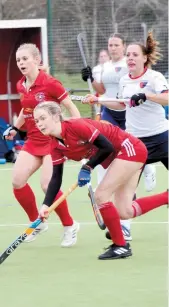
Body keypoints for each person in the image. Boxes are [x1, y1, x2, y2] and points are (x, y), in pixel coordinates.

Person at [33, 101, 168, 260]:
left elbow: (107, 147)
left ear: (56, 116)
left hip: (129, 148)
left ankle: (120, 246)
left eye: (43, 118)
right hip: (120, 157)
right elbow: (56, 178)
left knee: (101, 196)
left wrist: (88, 167)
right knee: (125, 212)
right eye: (36, 121)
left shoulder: (75, 126)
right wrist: (45, 206)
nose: (39, 124)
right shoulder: (54, 145)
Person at [82, 31, 168, 240]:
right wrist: (98, 100)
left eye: (134, 55)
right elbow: (121, 104)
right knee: (124, 204)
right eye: (128, 55)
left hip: (162, 138)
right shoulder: (123, 81)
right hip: (137, 145)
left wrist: (147, 95)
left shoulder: (154, 77)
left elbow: (167, 99)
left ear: (145, 58)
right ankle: (127, 226)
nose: (130, 58)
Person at [3, 43, 80, 246]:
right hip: (33, 141)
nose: (21, 63)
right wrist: (14, 128)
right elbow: (26, 110)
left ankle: (70, 226)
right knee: (17, 181)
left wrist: (77, 133)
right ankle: (36, 224)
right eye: (19, 60)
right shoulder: (22, 85)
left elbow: (72, 109)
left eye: (25, 59)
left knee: (47, 186)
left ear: (36, 60)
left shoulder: (51, 83)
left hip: (53, 141)